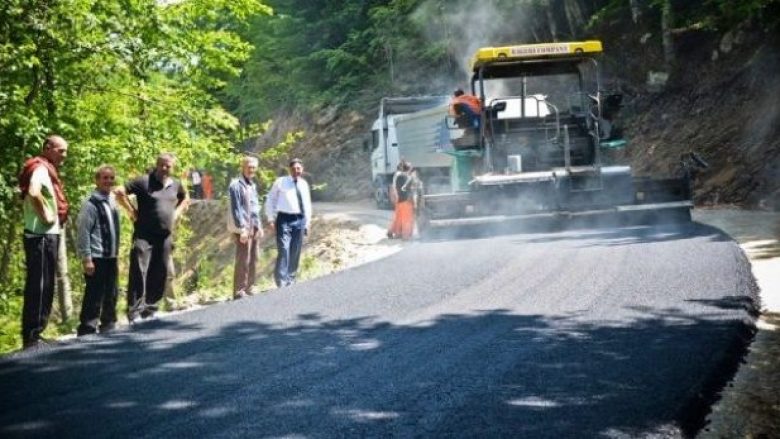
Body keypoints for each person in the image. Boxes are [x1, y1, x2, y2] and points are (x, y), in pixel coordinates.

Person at [115, 153, 188, 322]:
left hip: (164, 236)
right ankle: (134, 312)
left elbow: (185, 199)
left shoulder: (176, 184)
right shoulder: (143, 181)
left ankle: (151, 309)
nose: (164, 168)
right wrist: (131, 211)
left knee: (160, 271)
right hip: (144, 234)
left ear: (172, 167)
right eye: (161, 165)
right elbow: (119, 191)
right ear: (157, 164)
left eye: (168, 166)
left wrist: (175, 214)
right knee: (139, 270)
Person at [17, 135, 69, 349]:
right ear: (47, 148)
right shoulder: (39, 168)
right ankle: (32, 336)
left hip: (46, 235)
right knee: (39, 285)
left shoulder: (45, 167)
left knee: (45, 283)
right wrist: (47, 216)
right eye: (60, 150)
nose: (64, 155)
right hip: (40, 235)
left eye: (65, 151)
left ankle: (36, 334)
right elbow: (33, 192)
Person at [76, 165, 120, 336]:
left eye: (111, 178)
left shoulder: (112, 201)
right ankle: (87, 328)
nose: (108, 181)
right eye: (104, 178)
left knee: (112, 292)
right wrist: (87, 258)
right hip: (96, 256)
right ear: (97, 180)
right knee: (94, 294)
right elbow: (83, 231)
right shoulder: (90, 204)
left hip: (111, 256)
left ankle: (108, 323)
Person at [264, 158, 312, 288]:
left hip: (299, 219)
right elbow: (270, 200)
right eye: (294, 168)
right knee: (284, 249)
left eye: (299, 168)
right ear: (289, 169)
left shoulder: (303, 184)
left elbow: (307, 204)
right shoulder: (280, 182)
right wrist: (270, 218)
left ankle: (291, 278)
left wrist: (307, 223)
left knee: (295, 250)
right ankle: (281, 280)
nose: (296, 171)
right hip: (284, 219)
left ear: (302, 169)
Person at [228, 156, 263, 299]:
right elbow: (236, 209)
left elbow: (255, 208)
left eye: (254, 167)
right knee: (243, 259)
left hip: (253, 226)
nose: (251, 170)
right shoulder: (235, 185)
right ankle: (239, 290)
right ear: (243, 167)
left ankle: (250, 286)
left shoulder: (252, 185)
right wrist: (242, 228)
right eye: (249, 167)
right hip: (243, 228)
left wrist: (259, 225)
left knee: (254, 258)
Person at [387, 160, 417, 240]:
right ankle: (405, 236)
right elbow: (408, 190)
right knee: (407, 219)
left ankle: (394, 232)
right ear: (408, 169)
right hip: (405, 201)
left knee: (398, 218)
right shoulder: (404, 177)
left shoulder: (398, 175)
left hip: (399, 200)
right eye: (411, 168)